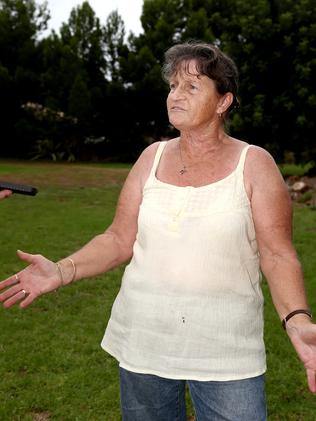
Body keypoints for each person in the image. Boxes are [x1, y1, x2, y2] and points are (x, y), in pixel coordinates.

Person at [0, 41, 315, 421]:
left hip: (226, 353)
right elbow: (118, 238)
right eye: (172, 86)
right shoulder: (152, 157)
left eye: (191, 87)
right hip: (143, 343)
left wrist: (297, 320)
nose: (175, 96)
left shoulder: (254, 164)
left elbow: (278, 254)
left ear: (223, 102)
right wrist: (62, 270)